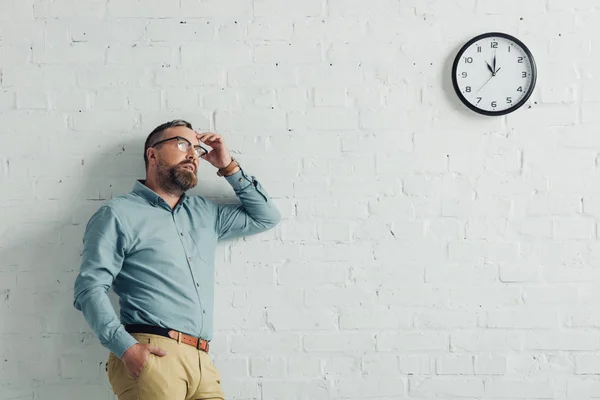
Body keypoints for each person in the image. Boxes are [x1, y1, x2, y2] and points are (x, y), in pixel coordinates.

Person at [73, 119, 281, 400]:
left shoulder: (206, 213)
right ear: (152, 154)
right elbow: (89, 288)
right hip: (152, 353)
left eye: (196, 148)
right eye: (182, 144)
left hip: (202, 361)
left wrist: (227, 166)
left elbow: (265, 216)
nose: (192, 154)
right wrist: (126, 348)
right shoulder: (118, 214)